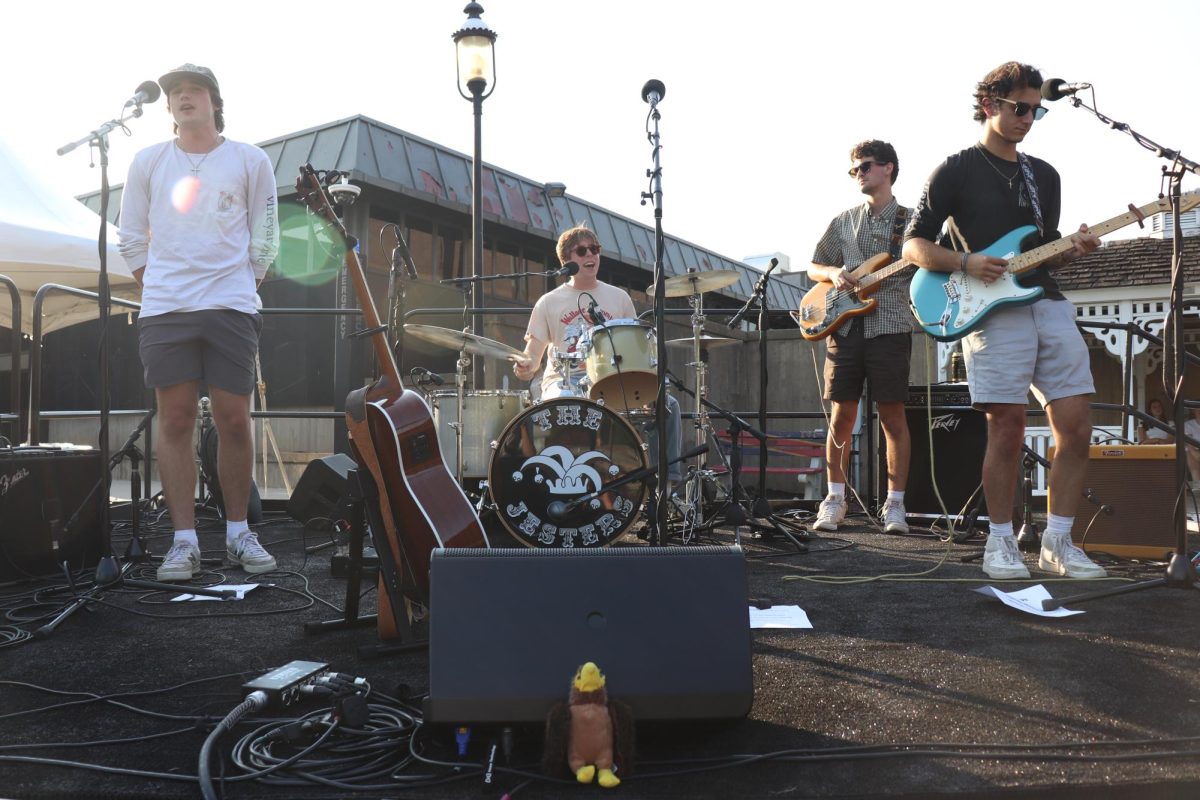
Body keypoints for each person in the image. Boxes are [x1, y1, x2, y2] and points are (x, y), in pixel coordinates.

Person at [903, 61, 1105, 580]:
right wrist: (965, 262)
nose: (1029, 118)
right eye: (1020, 108)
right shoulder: (955, 169)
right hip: (990, 310)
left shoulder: (1046, 176)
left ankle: (1058, 541)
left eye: (1037, 110)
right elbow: (914, 245)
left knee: (1077, 425)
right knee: (1007, 428)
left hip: (1049, 302)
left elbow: (1041, 254)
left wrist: (1071, 251)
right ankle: (1000, 542)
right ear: (990, 104)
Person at [119, 64, 279, 582]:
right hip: (166, 308)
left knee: (234, 418)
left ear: (214, 101)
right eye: (175, 94)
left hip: (231, 306)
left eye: (193, 91)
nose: (183, 98)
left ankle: (239, 534)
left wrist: (240, 286)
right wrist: (160, 285)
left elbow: (267, 234)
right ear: (168, 108)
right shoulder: (147, 161)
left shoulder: (250, 159)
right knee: (177, 419)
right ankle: (183, 543)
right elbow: (130, 235)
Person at [514, 224, 682, 489]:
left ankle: (666, 485)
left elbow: (635, 348)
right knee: (565, 404)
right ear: (566, 261)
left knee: (668, 404)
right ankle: (563, 484)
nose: (590, 255)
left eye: (595, 249)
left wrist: (647, 382)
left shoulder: (619, 297)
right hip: (565, 378)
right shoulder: (548, 301)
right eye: (582, 251)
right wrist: (526, 366)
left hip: (612, 377)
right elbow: (533, 356)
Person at [807, 140, 915, 534]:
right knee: (841, 416)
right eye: (853, 170)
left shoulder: (912, 220)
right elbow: (813, 266)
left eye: (865, 167)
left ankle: (895, 505)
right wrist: (834, 274)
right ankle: (835, 498)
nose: (859, 175)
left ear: (888, 168)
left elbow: (930, 263)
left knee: (892, 417)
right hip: (845, 324)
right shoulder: (842, 220)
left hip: (890, 323)